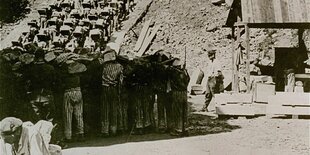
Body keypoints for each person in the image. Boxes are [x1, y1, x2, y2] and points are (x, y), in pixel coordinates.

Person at [25, 48, 56, 122]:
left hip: (34, 96)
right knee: (49, 120)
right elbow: (55, 82)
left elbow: (22, 81)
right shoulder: (50, 68)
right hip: (47, 95)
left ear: (35, 57)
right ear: (44, 56)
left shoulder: (31, 68)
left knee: (36, 120)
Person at [100, 50, 124, 137]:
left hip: (105, 88)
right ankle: (113, 129)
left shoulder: (103, 67)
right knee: (114, 108)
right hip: (114, 88)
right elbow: (121, 81)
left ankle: (105, 131)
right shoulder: (119, 66)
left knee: (105, 109)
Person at [168, 58, 190, 136]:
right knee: (184, 111)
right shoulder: (184, 72)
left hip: (177, 93)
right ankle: (185, 129)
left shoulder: (174, 73)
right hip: (184, 93)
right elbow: (188, 79)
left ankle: (178, 130)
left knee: (178, 111)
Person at [201, 47, 224, 112]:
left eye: (210, 55)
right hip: (209, 79)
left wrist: (217, 81)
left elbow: (219, 72)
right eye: (208, 55)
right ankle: (204, 107)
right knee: (208, 93)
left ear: (213, 55)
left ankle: (220, 108)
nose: (209, 57)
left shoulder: (217, 62)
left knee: (216, 94)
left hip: (215, 79)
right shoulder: (210, 62)